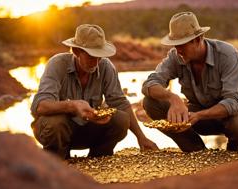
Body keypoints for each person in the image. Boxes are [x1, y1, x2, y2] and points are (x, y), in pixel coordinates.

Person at [31, 24, 158, 159]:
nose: (96, 62)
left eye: (100, 57)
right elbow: (39, 106)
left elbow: (120, 103)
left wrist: (141, 137)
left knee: (121, 120)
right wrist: (72, 106)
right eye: (91, 56)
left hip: (88, 130)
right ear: (76, 51)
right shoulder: (57, 64)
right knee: (55, 123)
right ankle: (57, 160)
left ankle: (98, 158)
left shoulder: (106, 66)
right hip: (58, 132)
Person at [142, 12, 238, 152]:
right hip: (195, 117)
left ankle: (234, 151)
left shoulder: (228, 55)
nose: (178, 50)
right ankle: (195, 149)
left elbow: (232, 102)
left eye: (182, 45)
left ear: (198, 39)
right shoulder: (176, 56)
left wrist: (200, 115)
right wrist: (172, 98)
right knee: (150, 102)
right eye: (175, 44)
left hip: (228, 117)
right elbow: (149, 83)